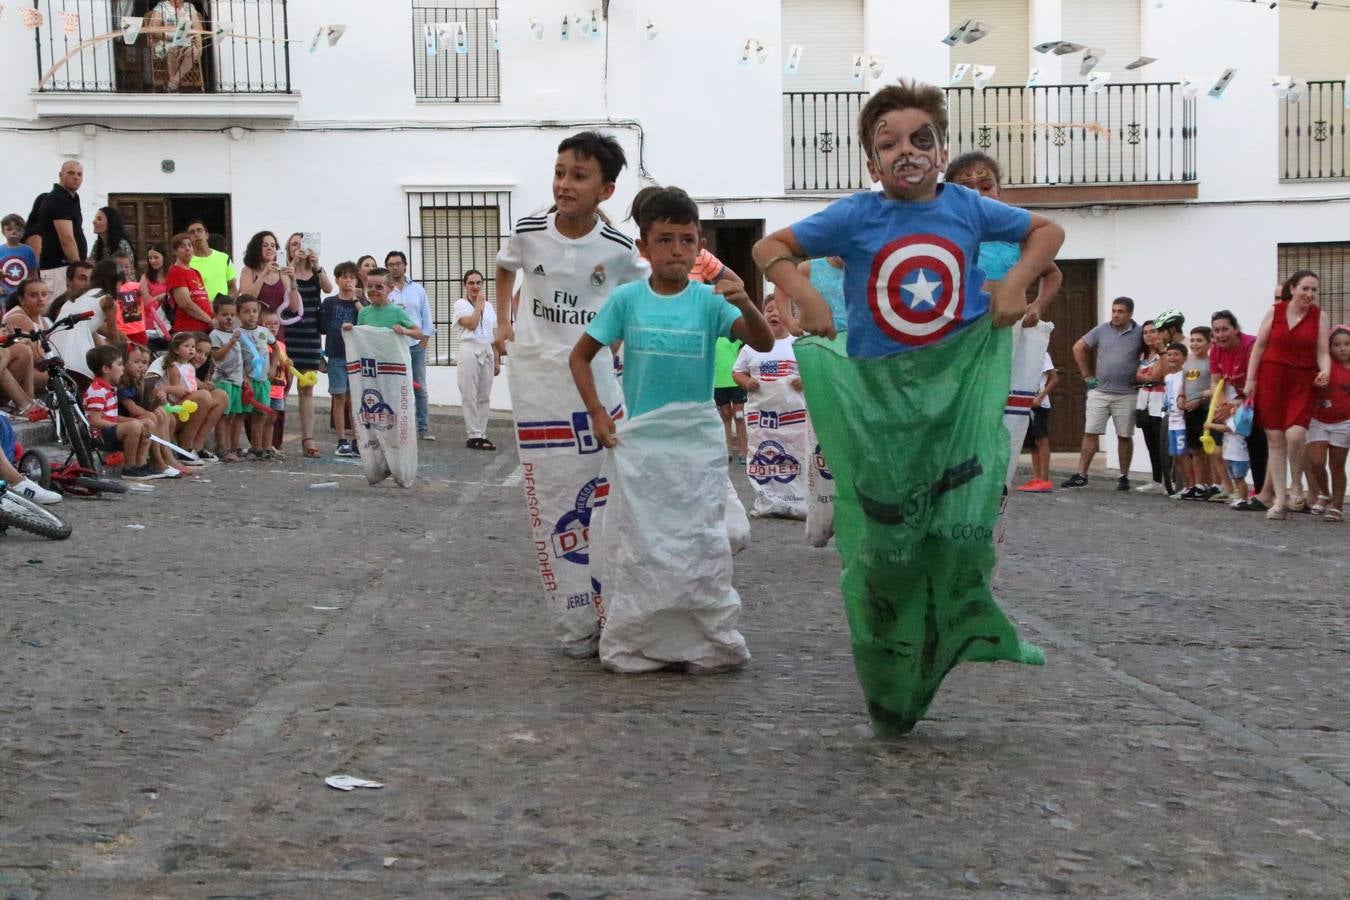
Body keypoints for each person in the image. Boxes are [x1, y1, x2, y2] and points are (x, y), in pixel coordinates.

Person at [752, 79, 1062, 736]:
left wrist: (1012, 281)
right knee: (887, 548)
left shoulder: (970, 209)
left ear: (941, 148)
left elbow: (1047, 231)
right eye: (887, 144)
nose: (906, 152)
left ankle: (954, 635)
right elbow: (769, 248)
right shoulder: (856, 216)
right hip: (881, 410)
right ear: (871, 163)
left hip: (956, 406)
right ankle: (889, 673)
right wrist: (802, 296)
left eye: (921, 139)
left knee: (955, 533)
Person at [569, 187, 772, 672]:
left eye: (687, 240)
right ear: (644, 248)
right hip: (643, 447)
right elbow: (580, 355)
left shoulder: (710, 303)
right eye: (665, 240)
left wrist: (744, 297)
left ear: (699, 246)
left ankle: (703, 641)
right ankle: (640, 641)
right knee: (644, 549)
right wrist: (599, 412)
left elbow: (762, 341)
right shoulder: (627, 301)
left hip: (697, 445)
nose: (676, 250)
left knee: (700, 544)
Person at [493, 130, 650, 659]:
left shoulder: (621, 250)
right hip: (540, 382)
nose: (564, 184)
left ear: (605, 191)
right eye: (560, 172)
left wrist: (620, 346)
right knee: (554, 495)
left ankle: (610, 607)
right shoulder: (530, 230)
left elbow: (637, 300)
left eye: (579, 176)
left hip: (596, 381)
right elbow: (504, 268)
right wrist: (503, 323)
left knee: (606, 492)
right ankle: (572, 615)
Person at [1247, 270, 1331, 520]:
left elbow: (1323, 352)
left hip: (1302, 380)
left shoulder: (1319, 317)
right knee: (1274, 438)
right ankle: (1279, 500)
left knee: (1296, 433)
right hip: (1272, 377)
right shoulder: (1275, 311)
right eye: (1305, 288)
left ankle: (1297, 483)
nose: (1310, 294)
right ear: (1292, 289)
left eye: (1314, 290)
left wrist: (1325, 369)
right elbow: (1259, 346)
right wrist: (1251, 380)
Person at [1061, 298, 1144, 490]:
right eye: (1114, 310)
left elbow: (1153, 349)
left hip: (1126, 393)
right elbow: (1078, 347)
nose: (1115, 314)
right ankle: (1082, 474)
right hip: (1100, 391)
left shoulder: (1139, 333)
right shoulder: (1102, 329)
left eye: (1120, 311)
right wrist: (1086, 375)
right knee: (1090, 432)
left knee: (1124, 435)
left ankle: (1124, 476)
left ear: (1130, 313)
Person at [1210, 310, 1271, 511]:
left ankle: (1263, 493)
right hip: (1240, 401)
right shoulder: (1217, 350)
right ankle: (1252, 492)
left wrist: (1234, 405)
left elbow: (1259, 382)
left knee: (1259, 445)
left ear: (1236, 329)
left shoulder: (1250, 346)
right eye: (1216, 330)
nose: (1220, 335)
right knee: (1244, 445)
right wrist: (1223, 405)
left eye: (1225, 329)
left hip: (1262, 397)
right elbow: (1216, 381)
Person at [284, 232, 329, 457]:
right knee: (282, 385)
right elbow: (288, 297)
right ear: (288, 248)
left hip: (310, 332)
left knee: (307, 386)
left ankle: (308, 438)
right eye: (294, 244)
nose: (298, 248)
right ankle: (274, 438)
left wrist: (317, 265)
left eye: (302, 244)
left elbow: (328, 288)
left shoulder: (315, 270)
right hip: (289, 331)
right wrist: (293, 266)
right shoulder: (285, 271)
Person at [49, 258, 122, 393]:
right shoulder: (108, 300)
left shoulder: (78, 296)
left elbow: (89, 326)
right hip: (78, 356)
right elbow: (113, 338)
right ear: (115, 281)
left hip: (54, 351)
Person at [385, 250, 436, 440]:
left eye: (398, 263)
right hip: (393, 347)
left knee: (419, 387)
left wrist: (425, 340)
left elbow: (426, 316)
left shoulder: (418, 290)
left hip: (415, 345)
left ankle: (423, 427)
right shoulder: (386, 290)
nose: (394, 267)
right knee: (394, 387)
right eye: (390, 264)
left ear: (405, 265)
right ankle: (397, 427)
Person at [83, 345, 155, 480]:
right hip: (100, 436)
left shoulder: (109, 388)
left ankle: (141, 464)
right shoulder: (97, 391)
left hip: (110, 430)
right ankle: (129, 467)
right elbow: (95, 421)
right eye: (119, 364)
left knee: (147, 423)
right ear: (106, 369)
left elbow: (112, 416)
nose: (123, 368)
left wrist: (131, 421)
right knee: (135, 426)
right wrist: (127, 424)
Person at [320, 261, 365, 456]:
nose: (348, 280)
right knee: (338, 397)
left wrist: (356, 300)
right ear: (337, 279)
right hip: (336, 355)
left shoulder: (362, 303)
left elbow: (367, 320)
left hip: (356, 357)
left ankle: (357, 439)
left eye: (352, 277)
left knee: (355, 398)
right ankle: (341, 440)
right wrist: (321, 356)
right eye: (344, 277)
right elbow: (321, 329)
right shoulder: (329, 303)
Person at [1305, 324, 1350, 522]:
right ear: (1329, 347)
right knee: (1316, 462)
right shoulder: (1324, 365)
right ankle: (1324, 492)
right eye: (1337, 344)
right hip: (1318, 419)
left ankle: (1337, 508)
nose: (1343, 348)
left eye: (1347, 344)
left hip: (1344, 423)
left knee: (1337, 466)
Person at [118, 343, 182, 478]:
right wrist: (150, 412)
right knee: (152, 417)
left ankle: (160, 459)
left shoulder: (137, 380)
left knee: (159, 412)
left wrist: (158, 401)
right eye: (136, 362)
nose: (142, 366)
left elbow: (147, 407)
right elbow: (133, 409)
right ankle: (156, 461)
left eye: (145, 362)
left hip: (131, 419)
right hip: (122, 420)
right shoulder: (122, 383)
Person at [452, 269, 498, 450]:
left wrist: (496, 359)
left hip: (486, 349)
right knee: (469, 393)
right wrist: (479, 304)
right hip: (469, 349)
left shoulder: (490, 306)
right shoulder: (461, 304)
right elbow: (470, 323)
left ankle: (482, 432)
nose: (475, 286)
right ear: (465, 285)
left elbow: (492, 333)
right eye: (471, 283)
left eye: (478, 283)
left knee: (484, 394)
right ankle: (473, 433)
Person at [26, 161, 86, 297]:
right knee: (57, 314)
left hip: (65, 269)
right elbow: (66, 239)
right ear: (60, 175)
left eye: (79, 174)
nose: (76, 177)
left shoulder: (71, 199)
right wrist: (80, 269)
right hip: (59, 269)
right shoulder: (58, 199)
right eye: (70, 173)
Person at [162, 331, 224, 461]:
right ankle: (185, 447)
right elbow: (175, 391)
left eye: (206, 354)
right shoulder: (172, 365)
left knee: (221, 395)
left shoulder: (189, 366)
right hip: (173, 411)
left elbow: (192, 382)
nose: (201, 356)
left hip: (187, 408)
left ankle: (198, 446)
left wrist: (204, 385)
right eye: (198, 350)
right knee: (203, 396)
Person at [1177, 326, 1218, 500]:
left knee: (1209, 449)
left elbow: (1214, 388)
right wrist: (1181, 396)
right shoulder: (1188, 362)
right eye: (1192, 340)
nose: (1195, 344)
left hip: (1205, 410)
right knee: (1195, 448)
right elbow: (1184, 382)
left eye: (1199, 340)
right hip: (1189, 410)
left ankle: (1214, 484)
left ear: (1209, 343)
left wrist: (1199, 399)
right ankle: (1199, 484)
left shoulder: (1211, 362)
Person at [237, 295, 279, 460]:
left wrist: (274, 367)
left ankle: (261, 447)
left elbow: (275, 349)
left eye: (254, 311)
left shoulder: (264, 332)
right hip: (247, 381)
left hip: (263, 380)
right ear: (239, 314)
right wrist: (243, 377)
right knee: (243, 414)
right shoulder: (237, 333)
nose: (251, 315)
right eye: (246, 312)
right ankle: (245, 446)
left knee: (262, 414)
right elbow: (236, 357)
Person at [208, 297, 248, 462]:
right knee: (223, 416)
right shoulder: (215, 335)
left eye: (232, 314)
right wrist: (230, 343)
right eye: (225, 314)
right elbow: (216, 356)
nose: (229, 318)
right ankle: (222, 448)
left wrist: (245, 377)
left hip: (237, 381)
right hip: (223, 381)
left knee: (235, 415)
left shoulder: (235, 334)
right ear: (216, 315)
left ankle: (234, 446)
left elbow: (240, 359)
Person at [1132, 321, 1169, 494]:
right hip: (1143, 403)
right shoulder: (1141, 355)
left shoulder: (1165, 353)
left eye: (1152, 331)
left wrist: (1144, 376)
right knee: (1150, 444)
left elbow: (1159, 375)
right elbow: (1133, 374)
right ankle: (1156, 479)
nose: (1149, 335)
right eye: (1145, 332)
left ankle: (1169, 480)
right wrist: (1148, 377)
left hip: (1159, 403)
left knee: (1162, 443)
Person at [238, 231, 301, 327]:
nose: (270, 248)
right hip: (254, 328)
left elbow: (294, 307)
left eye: (273, 245)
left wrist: (293, 280)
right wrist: (263, 274)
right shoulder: (248, 271)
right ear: (257, 248)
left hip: (276, 329)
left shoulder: (281, 272)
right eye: (265, 245)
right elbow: (246, 301)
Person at [1016, 351, 1058, 492]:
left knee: (1041, 439)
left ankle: (1045, 479)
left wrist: (1040, 397)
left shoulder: (1042, 353)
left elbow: (1053, 378)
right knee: (1033, 442)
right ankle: (1037, 477)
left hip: (1039, 404)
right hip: (1026, 403)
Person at [351, 268, 424, 339]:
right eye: (370, 287)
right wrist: (350, 330)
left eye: (379, 287)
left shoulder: (397, 311)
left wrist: (405, 331)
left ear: (390, 288)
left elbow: (419, 334)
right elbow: (359, 337)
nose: (373, 290)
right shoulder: (363, 313)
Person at [147, 0, 204, 92]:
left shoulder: (189, 7)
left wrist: (186, 33)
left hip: (185, 41)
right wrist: (168, 37)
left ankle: (174, 82)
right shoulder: (162, 6)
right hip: (166, 41)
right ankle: (174, 86)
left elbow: (198, 28)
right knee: (173, 49)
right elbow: (153, 28)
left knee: (193, 51)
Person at [165, 233, 214, 335]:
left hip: (205, 328)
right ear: (175, 251)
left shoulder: (195, 272)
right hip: (188, 330)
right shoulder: (176, 271)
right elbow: (186, 304)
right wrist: (209, 320)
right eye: (182, 247)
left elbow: (203, 298)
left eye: (190, 245)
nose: (187, 249)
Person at [1161, 341, 1192, 495]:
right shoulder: (1168, 377)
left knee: (1183, 454)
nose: (1172, 358)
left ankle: (1190, 485)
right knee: (1175, 455)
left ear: (1185, 357)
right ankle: (1182, 486)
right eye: (1169, 354)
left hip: (1181, 420)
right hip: (1171, 419)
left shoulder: (1186, 374)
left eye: (1176, 354)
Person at [712, 334, 747, 462]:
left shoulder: (736, 337)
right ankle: (728, 451)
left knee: (739, 415)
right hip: (719, 382)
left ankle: (744, 452)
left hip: (736, 381)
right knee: (725, 415)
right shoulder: (713, 337)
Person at [186, 220, 236, 303]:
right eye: (192, 232)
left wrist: (223, 304)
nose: (196, 234)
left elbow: (232, 288)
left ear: (207, 235)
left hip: (222, 312)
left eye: (199, 230)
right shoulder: (187, 263)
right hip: (200, 311)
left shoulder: (224, 258)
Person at [110, 250, 149, 347]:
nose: (123, 270)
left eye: (126, 267)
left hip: (139, 330)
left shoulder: (138, 286)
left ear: (131, 269)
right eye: (119, 267)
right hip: (122, 332)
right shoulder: (111, 289)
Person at [139, 242, 172, 350]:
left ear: (164, 257)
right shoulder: (146, 277)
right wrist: (160, 298)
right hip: (152, 321)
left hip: (170, 319)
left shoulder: (173, 274)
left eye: (156, 257)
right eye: (150, 258)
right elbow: (146, 301)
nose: (152, 261)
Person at [1, 214, 39, 300]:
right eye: (9, 229)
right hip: (4, 295)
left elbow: (33, 273)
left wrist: (35, 289)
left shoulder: (28, 251)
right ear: (3, 232)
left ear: (23, 232)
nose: (14, 232)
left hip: (23, 294)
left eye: (18, 230)